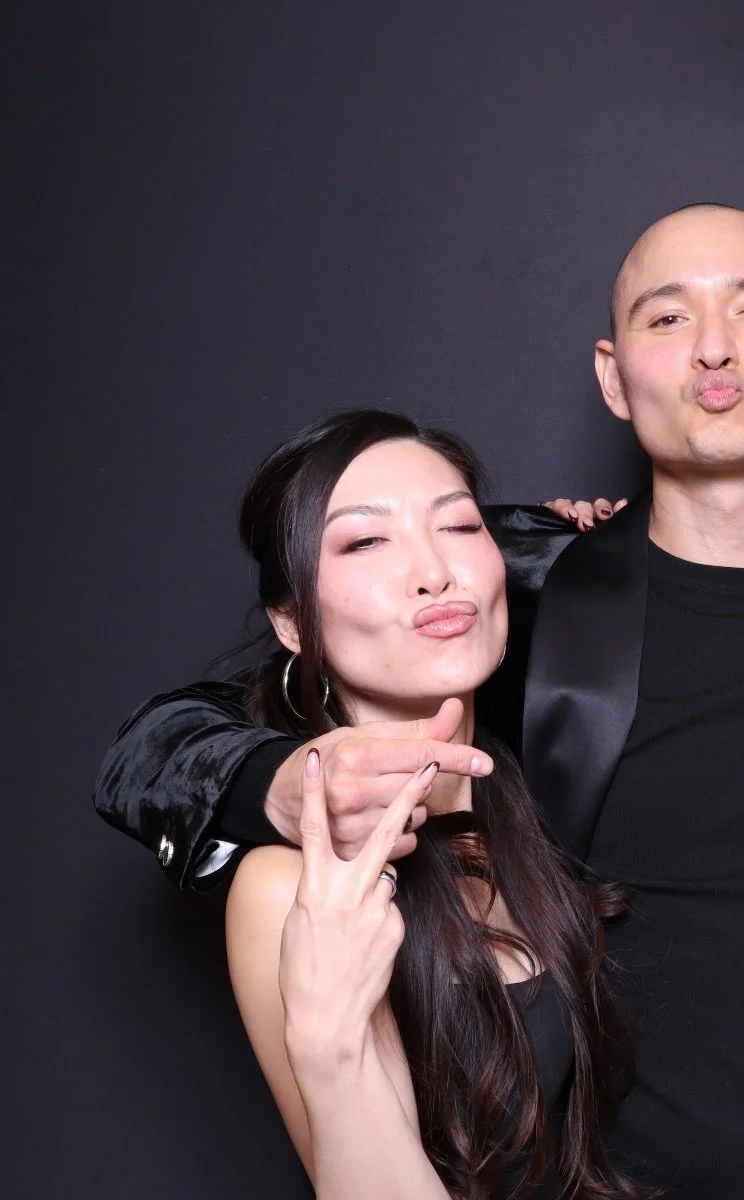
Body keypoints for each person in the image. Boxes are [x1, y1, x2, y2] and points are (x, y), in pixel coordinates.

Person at [93, 204, 744, 1197]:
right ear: (614, 377)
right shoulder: (505, 597)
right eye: (667, 319)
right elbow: (154, 746)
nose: (712, 348)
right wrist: (291, 783)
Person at [215, 411, 637, 1198]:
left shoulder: (533, 809)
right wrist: (332, 1047)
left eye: (458, 525)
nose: (434, 571)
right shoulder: (293, 886)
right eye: (365, 542)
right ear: (290, 620)